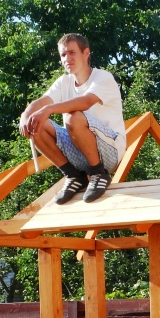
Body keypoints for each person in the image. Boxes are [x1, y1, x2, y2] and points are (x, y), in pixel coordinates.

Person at [18, 33, 126, 204]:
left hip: (110, 151)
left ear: (86, 53)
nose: (67, 59)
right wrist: (26, 115)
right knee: (36, 123)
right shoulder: (64, 82)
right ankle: (74, 176)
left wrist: (48, 109)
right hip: (80, 151)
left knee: (72, 116)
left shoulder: (102, 77)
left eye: (72, 53)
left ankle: (99, 174)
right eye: (63, 55)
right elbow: (42, 101)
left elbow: (85, 102)